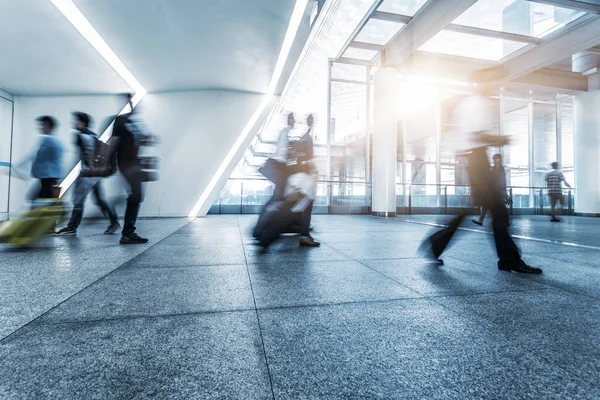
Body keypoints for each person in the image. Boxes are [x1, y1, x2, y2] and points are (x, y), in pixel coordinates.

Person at [420, 88, 542, 274]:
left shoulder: (469, 104)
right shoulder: (477, 104)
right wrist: (502, 139)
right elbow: (477, 136)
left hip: (476, 160)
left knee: (493, 210)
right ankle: (508, 259)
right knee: (498, 211)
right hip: (477, 159)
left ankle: (436, 244)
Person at [54, 112, 120, 236]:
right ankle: (114, 222)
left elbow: (78, 157)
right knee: (100, 200)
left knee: (78, 201)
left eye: (76, 121)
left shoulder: (79, 136)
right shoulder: (94, 136)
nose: (74, 123)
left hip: (86, 174)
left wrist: (67, 177)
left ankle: (72, 227)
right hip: (96, 174)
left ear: (82, 122)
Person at [109, 94, 148, 244]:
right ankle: (127, 233)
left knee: (136, 196)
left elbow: (139, 140)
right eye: (130, 102)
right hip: (126, 163)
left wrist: (145, 140)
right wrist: (109, 162)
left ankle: (128, 231)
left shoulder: (133, 123)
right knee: (136, 195)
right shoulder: (120, 121)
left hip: (134, 163)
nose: (134, 106)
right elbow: (114, 142)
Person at [297, 114, 319, 247]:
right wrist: (316, 171)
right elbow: (310, 159)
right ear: (313, 124)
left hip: (300, 176)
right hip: (307, 177)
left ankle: (304, 232)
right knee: (307, 206)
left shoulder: (302, 138)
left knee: (304, 206)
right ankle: (305, 236)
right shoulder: (308, 138)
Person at [31, 116, 63, 199]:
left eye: (42, 125)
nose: (41, 127)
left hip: (47, 176)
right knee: (44, 199)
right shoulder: (56, 140)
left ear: (48, 126)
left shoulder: (48, 140)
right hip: (50, 176)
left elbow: (39, 158)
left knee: (44, 200)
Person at [472, 153, 506, 226]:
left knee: (501, 206)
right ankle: (480, 220)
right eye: (494, 159)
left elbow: (502, 180)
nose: (495, 160)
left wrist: (501, 189)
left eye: (496, 158)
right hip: (492, 190)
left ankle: (506, 220)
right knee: (485, 203)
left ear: (499, 159)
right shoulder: (493, 168)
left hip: (499, 190)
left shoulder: (501, 168)